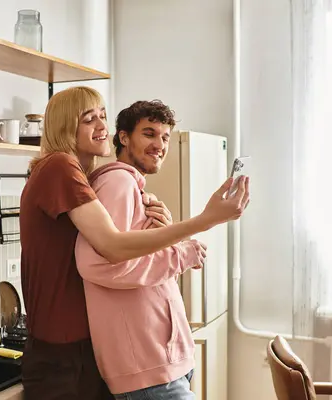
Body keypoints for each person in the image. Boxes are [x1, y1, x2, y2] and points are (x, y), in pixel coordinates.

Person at [19, 87, 249, 400]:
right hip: (64, 352)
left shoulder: (87, 177)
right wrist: (202, 222)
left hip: (80, 347)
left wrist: (166, 230)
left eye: (102, 116)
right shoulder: (62, 166)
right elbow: (110, 248)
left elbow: (120, 243)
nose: (102, 126)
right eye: (89, 119)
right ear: (64, 126)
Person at [75, 100, 231, 399]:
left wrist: (167, 237)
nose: (159, 144)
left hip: (167, 362)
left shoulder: (135, 188)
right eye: (149, 134)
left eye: (165, 137)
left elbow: (136, 259)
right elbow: (102, 265)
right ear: (123, 137)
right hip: (147, 369)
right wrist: (181, 254)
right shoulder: (117, 182)